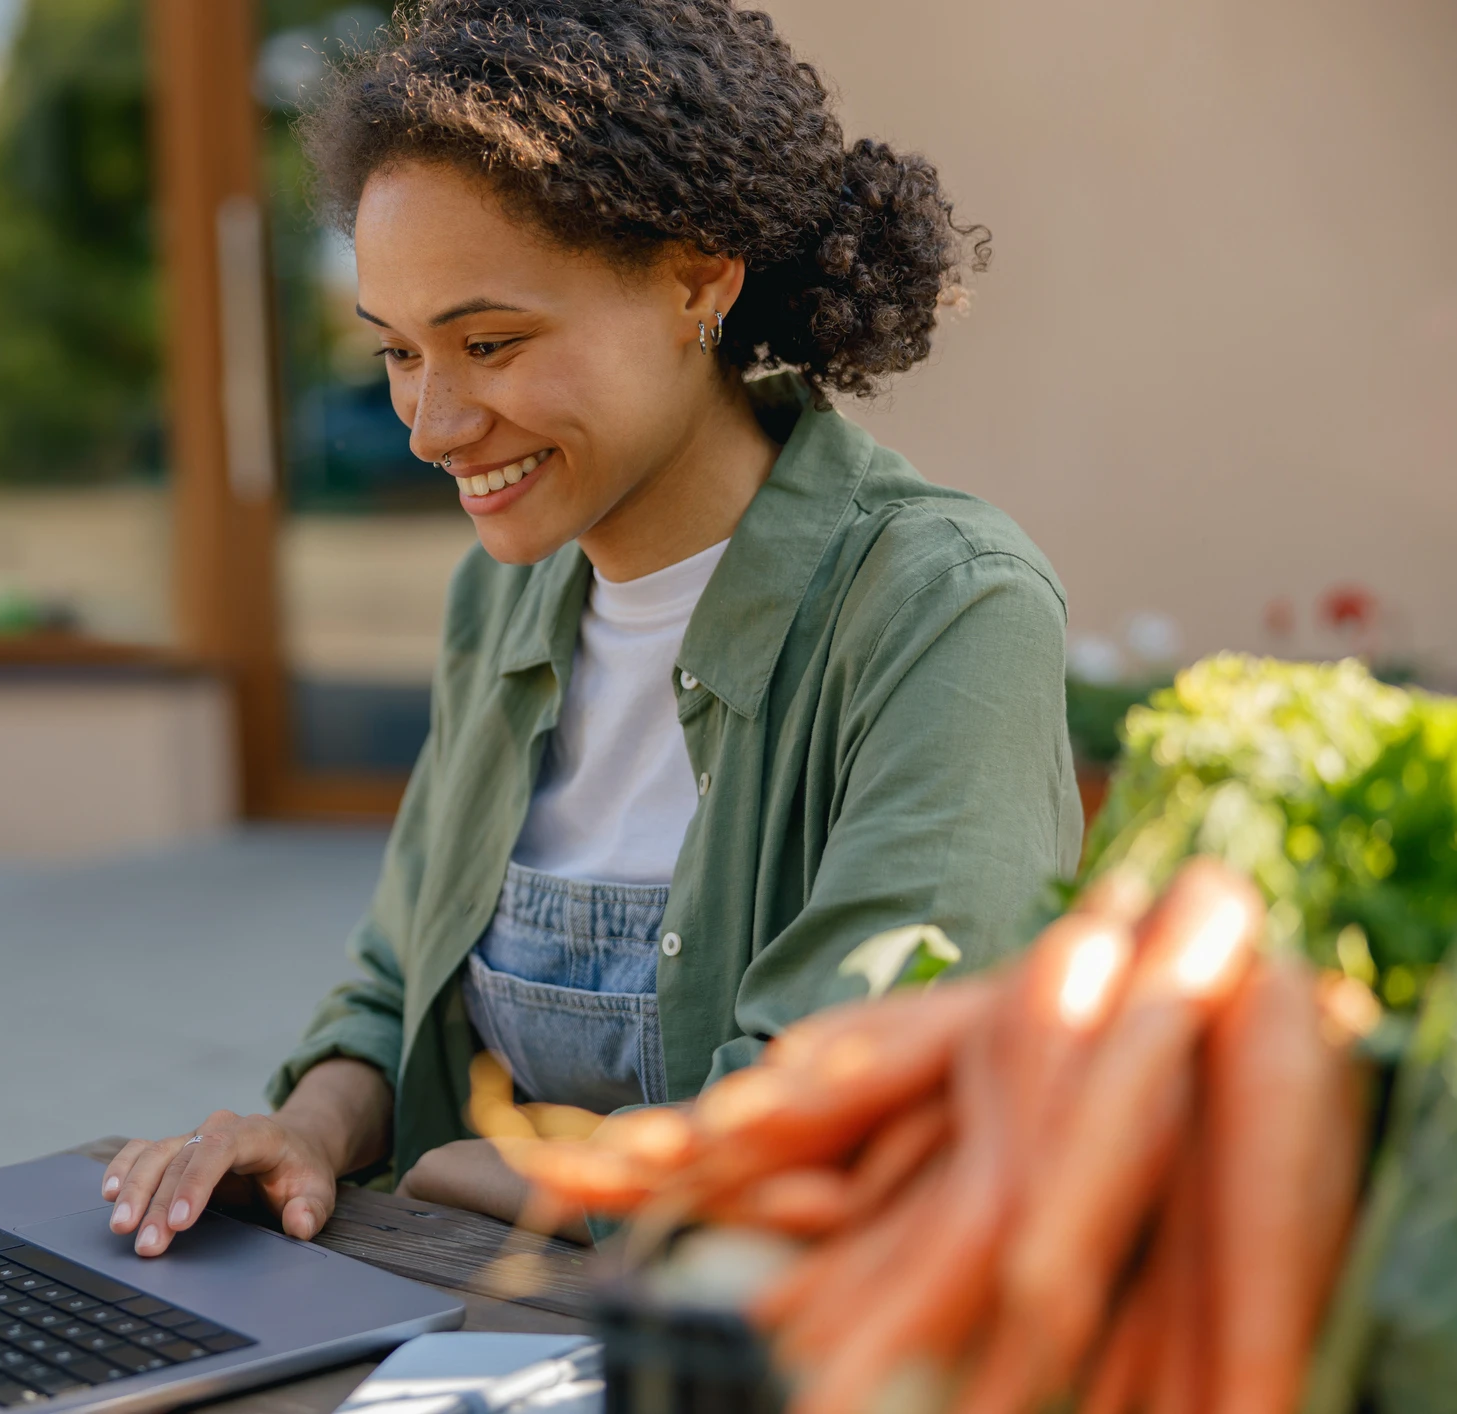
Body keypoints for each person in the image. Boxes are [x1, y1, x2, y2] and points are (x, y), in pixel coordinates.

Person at [103, 0, 1080, 1254]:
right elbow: (395, 983)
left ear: (696, 280)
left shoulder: (944, 608)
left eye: (490, 342)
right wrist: (303, 1130)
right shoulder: (503, 599)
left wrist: (505, 1174)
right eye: (399, 354)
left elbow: (860, 1100)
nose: (432, 423)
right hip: (475, 1323)